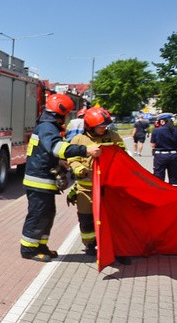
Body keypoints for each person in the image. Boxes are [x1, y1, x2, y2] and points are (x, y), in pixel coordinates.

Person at [20, 94, 101, 262]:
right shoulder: (48, 127)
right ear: (60, 112)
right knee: (38, 214)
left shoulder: (48, 126)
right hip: (39, 180)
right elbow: (57, 148)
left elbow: (47, 152)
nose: (66, 117)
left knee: (47, 214)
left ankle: (40, 245)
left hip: (42, 179)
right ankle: (28, 249)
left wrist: (60, 162)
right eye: (66, 114)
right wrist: (85, 150)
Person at [67, 108, 126, 256]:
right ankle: (90, 244)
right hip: (85, 189)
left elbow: (123, 154)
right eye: (100, 126)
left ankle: (114, 246)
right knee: (86, 218)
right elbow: (72, 159)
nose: (104, 128)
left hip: (108, 187)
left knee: (111, 219)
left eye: (105, 126)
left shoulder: (113, 136)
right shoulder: (79, 140)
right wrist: (80, 169)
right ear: (90, 126)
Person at [151, 113, 177, 185]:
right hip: (174, 155)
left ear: (162, 121)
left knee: (158, 177)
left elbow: (153, 145)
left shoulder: (156, 131)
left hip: (160, 155)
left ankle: (160, 193)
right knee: (174, 177)